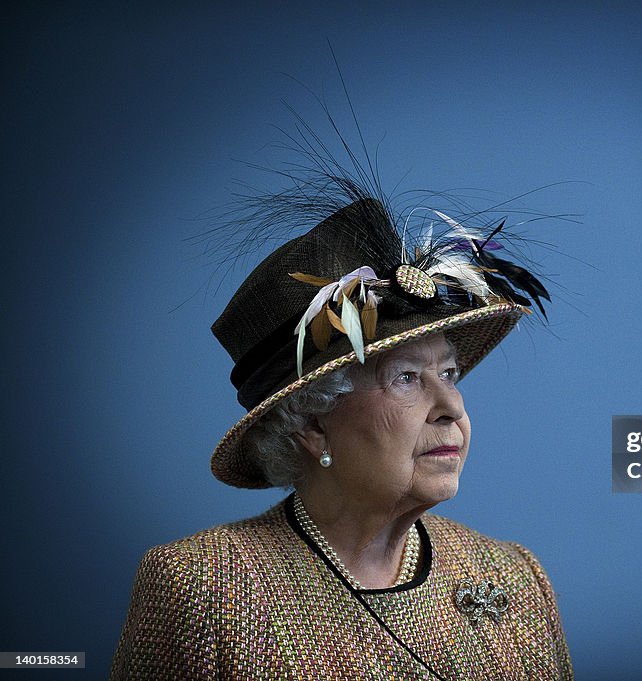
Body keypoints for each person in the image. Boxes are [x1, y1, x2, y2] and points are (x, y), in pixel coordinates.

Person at [111, 185, 572, 679]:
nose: (451, 408)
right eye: (405, 378)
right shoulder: (203, 587)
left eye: (448, 374)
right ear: (313, 425)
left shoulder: (516, 578)